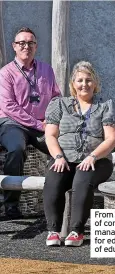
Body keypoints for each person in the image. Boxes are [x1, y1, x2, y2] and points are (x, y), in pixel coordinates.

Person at [43, 61, 115, 247]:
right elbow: (50, 135)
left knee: (83, 179)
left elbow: (111, 139)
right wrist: (59, 157)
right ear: (73, 84)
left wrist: (93, 156)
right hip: (65, 159)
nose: (84, 84)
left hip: (97, 160)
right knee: (53, 178)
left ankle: (77, 231)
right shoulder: (59, 104)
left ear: (95, 83)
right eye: (80, 80)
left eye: (88, 80)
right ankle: (53, 230)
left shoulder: (105, 106)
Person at [0, 27, 60, 218]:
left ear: (36, 46)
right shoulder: (6, 73)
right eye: (22, 43)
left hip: (41, 124)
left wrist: (50, 121)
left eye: (30, 43)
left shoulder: (46, 70)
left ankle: (62, 198)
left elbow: (56, 98)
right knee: (16, 149)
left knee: (62, 150)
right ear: (14, 47)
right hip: (12, 124)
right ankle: (11, 206)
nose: (26, 46)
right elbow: (8, 106)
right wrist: (38, 124)